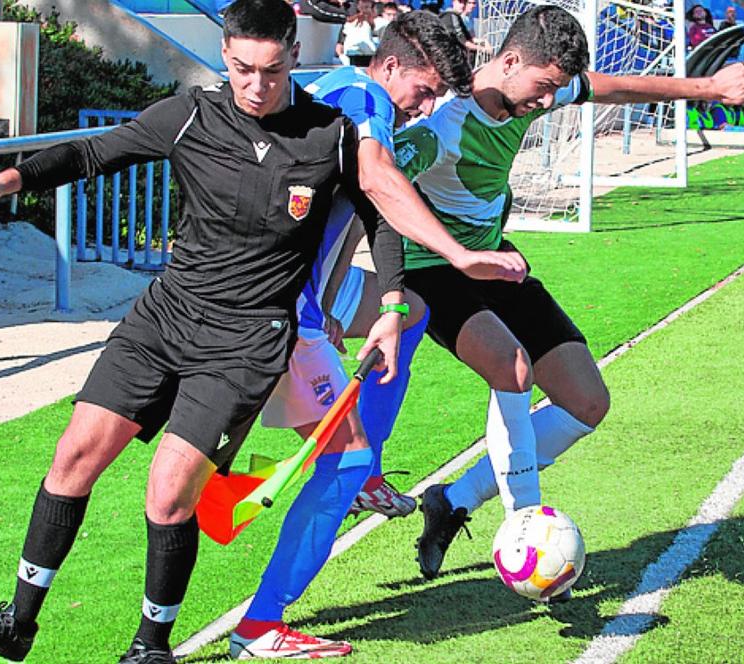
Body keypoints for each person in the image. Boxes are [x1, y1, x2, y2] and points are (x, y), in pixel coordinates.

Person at [0, 1, 411, 662]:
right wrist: (7, 181)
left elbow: (384, 215)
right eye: (242, 69)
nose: (255, 85)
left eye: (271, 71)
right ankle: (17, 622)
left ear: (294, 58)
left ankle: (150, 646)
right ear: (225, 58)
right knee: (74, 457)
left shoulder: (331, 137)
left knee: (168, 494)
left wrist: (390, 302)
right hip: (163, 319)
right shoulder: (189, 114)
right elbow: (91, 152)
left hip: (246, 344)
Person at [388, 5, 744, 581]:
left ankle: (453, 500)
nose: (547, 103)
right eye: (543, 88)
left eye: (555, 91)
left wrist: (708, 86)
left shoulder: (530, 87)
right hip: (434, 270)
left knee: (587, 403)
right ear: (509, 61)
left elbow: (615, 86)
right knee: (512, 368)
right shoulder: (441, 126)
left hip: (496, 261)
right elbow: (376, 181)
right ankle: (526, 533)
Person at [230, 11, 528, 658]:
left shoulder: (346, 91)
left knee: (411, 312)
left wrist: (338, 298)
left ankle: (359, 474)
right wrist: (458, 253)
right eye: (423, 91)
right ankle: (259, 625)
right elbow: (376, 186)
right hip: (276, 305)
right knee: (344, 460)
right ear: (390, 66)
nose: (426, 106)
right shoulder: (362, 98)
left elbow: (328, 212)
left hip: (297, 291)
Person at [337, 0, 380, 66]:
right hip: (356, 55)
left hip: (363, 55)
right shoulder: (351, 23)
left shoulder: (372, 23)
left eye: (369, 7)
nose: (368, 10)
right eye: (366, 7)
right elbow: (339, 46)